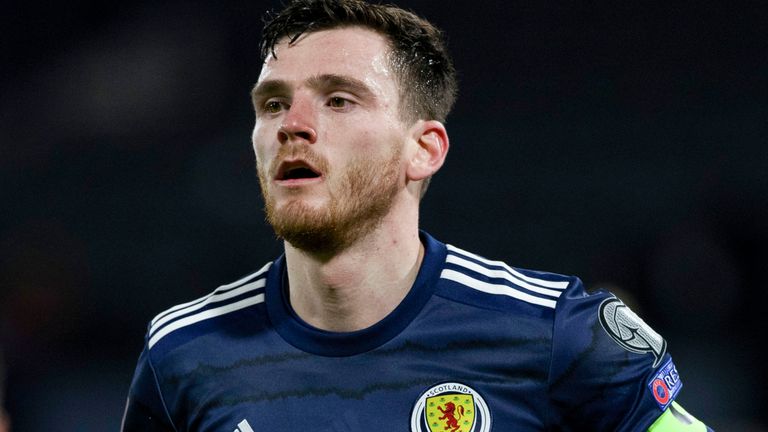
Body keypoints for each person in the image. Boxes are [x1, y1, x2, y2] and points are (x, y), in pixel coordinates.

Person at [122, 0, 713, 430]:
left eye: (339, 99)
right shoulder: (182, 354)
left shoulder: (559, 336)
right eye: (273, 103)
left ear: (423, 149)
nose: (291, 125)